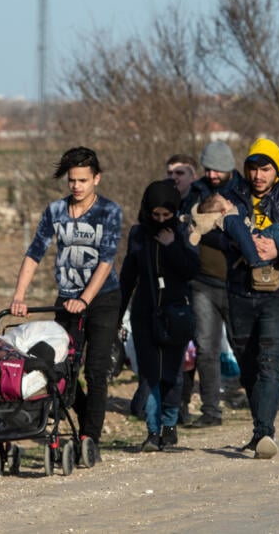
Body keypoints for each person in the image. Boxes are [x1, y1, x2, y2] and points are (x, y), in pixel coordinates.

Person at [9, 147, 122, 453]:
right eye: (72, 180)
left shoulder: (109, 212)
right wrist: (19, 296)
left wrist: (85, 299)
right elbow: (35, 253)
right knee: (63, 371)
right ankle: (84, 417)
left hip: (103, 299)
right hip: (66, 300)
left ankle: (90, 438)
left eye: (83, 180)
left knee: (96, 370)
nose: (76, 186)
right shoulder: (55, 212)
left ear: (96, 179)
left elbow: (106, 261)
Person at [221, 138, 279, 457]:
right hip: (239, 290)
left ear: (278, 171)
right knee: (247, 367)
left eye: (265, 168)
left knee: (269, 362)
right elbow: (212, 239)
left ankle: (264, 432)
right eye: (253, 168)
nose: (258, 175)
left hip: (278, 291)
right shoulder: (232, 198)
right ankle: (259, 428)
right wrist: (241, 245)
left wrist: (277, 249)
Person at [119, 181, 200, 451]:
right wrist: (119, 315)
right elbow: (128, 275)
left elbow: (191, 269)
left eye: (167, 215)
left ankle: (169, 423)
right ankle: (153, 431)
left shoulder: (184, 233)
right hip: (145, 313)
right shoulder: (138, 234)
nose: (161, 220)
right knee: (151, 373)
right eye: (156, 216)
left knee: (172, 375)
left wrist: (170, 245)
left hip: (175, 313)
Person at [177, 141, 250, 429]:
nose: (212, 174)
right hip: (202, 282)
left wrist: (210, 229)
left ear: (229, 167)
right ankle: (211, 411)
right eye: (208, 169)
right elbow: (187, 229)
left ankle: (258, 400)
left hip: (236, 281)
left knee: (242, 344)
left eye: (217, 169)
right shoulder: (196, 192)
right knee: (206, 348)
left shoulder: (244, 193)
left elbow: (243, 233)